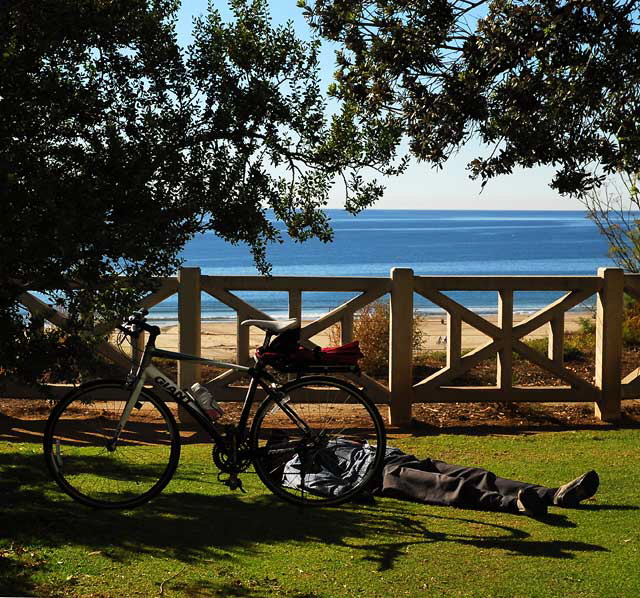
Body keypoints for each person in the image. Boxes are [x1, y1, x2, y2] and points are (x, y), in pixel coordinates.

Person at [280, 439, 600, 517]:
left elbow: (372, 441)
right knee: (446, 488)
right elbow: (327, 487)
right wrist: (356, 491)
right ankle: (514, 505)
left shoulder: (329, 438)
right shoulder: (294, 469)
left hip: (402, 458)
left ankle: (553, 494)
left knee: (478, 474)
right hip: (381, 476)